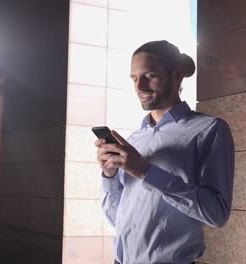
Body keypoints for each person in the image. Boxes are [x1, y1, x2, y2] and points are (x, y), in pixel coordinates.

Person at [95, 40, 235, 264]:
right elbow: (117, 219)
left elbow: (217, 213)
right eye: (134, 78)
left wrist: (145, 171)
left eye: (149, 75)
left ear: (177, 75)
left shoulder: (210, 130)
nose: (139, 86)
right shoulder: (133, 140)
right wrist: (109, 176)